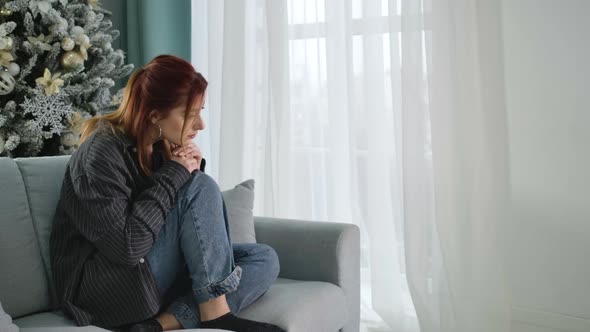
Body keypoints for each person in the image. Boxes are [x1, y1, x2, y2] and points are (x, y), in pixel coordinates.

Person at [49, 55, 285, 332]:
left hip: (146, 275)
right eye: (189, 114)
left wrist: (190, 169)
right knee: (201, 187)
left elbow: (190, 227)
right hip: (103, 291)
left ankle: (158, 325)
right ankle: (215, 315)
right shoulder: (100, 153)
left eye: (201, 111)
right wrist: (177, 175)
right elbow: (126, 248)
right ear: (154, 115)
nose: (200, 125)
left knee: (263, 258)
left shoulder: (159, 145)